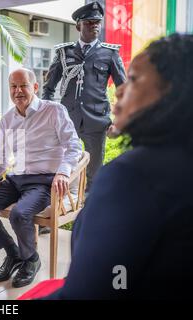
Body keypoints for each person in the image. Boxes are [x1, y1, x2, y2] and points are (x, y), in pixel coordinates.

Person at [23, 33, 193, 299]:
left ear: (174, 90)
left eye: (134, 79)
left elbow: (99, 288)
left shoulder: (131, 176)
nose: (120, 89)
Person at [0, 68, 82, 288]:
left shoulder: (54, 111)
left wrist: (63, 171)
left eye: (23, 85)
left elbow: (74, 146)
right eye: (13, 86)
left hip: (43, 181)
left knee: (19, 215)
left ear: (35, 87)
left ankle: (31, 260)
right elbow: (1, 158)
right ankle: (13, 254)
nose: (18, 91)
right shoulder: (8, 119)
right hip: (16, 179)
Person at [42, 1, 126, 191]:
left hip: (96, 122)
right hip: (66, 121)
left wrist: (119, 121)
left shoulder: (109, 53)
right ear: (78, 25)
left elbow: (124, 90)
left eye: (97, 22)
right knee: (62, 168)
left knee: (94, 174)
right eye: (89, 22)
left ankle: (87, 216)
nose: (94, 25)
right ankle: (63, 211)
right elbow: (49, 88)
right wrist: (47, 116)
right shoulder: (65, 52)